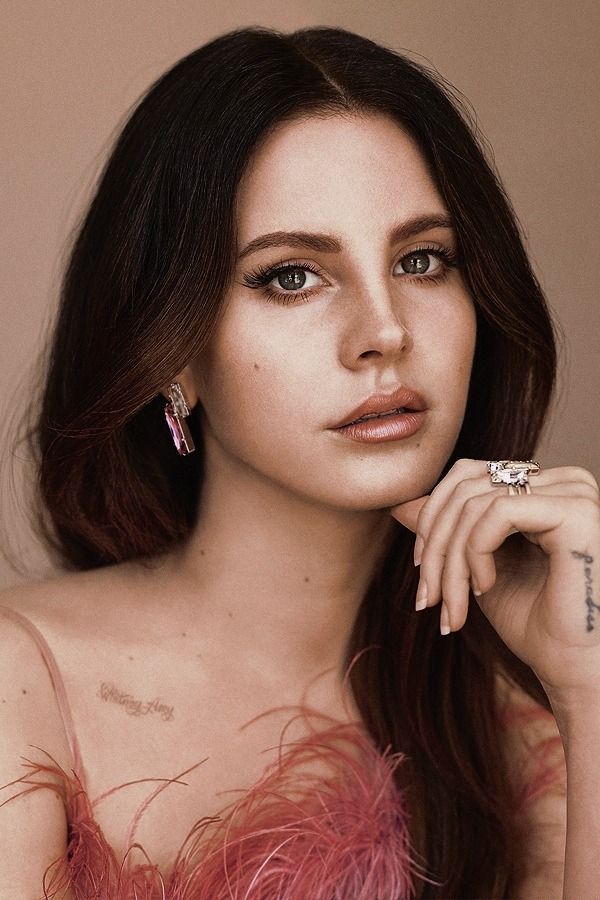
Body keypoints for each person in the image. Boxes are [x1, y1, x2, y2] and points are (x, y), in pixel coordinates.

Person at [0, 24, 598, 900]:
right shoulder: (24, 685)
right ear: (174, 351)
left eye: (422, 260)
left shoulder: (528, 745)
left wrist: (586, 689)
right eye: (290, 276)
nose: (385, 332)